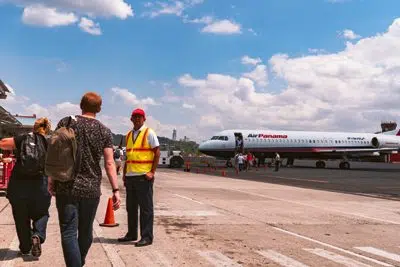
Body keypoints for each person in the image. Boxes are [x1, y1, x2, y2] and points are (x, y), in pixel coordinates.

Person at [50, 92, 121, 267]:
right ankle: (79, 261)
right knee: (86, 231)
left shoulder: (66, 122)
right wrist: (115, 190)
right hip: (91, 188)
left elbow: (55, 154)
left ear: (81, 105)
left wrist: (51, 178)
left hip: (66, 185)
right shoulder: (104, 130)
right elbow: (110, 163)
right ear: (99, 108)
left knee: (68, 231)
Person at [0, 117, 52, 258]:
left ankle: (25, 248)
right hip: (40, 184)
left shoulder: (23, 138)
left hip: (19, 184)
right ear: (47, 129)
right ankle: (37, 235)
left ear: (34, 128)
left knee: (21, 217)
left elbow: (3, 143)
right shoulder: (49, 141)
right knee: (42, 213)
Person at [118, 108, 160, 247]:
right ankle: (131, 234)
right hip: (131, 176)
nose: (137, 119)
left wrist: (152, 172)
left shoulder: (149, 133)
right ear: (131, 119)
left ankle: (147, 237)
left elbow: (157, 153)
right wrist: (124, 175)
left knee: (146, 208)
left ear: (144, 119)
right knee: (131, 208)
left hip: (143, 176)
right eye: (135, 117)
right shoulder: (128, 135)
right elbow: (128, 157)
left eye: (139, 117)